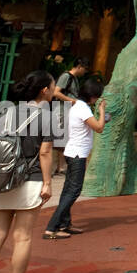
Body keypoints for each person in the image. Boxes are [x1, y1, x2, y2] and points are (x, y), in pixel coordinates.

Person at [0, 70, 55, 273]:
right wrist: (48, 183)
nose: (53, 90)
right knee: (23, 238)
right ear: (44, 90)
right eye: (52, 86)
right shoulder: (46, 117)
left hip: (2, 180)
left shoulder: (7, 114)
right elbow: (45, 152)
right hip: (30, 179)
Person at [43, 77, 106, 240]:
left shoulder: (77, 105)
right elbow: (99, 128)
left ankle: (65, 224)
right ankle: (51, 227)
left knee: (68, 190)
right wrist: (102, 111)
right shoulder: (83, 108)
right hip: (77, 154)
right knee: (74, 191)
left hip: (72, 152)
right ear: (93, 96)